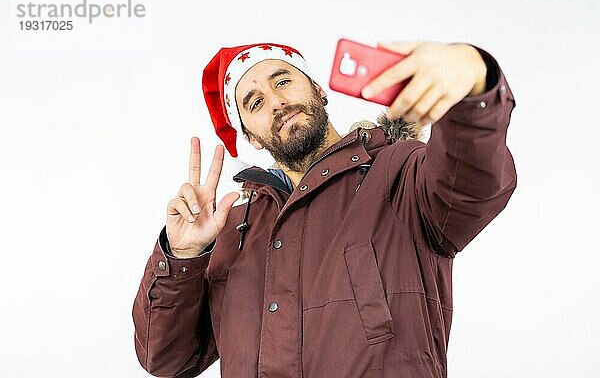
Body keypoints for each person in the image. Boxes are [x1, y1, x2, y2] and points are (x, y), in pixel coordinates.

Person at [132, 40, 517, 378]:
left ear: (317, 89)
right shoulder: (231, 230)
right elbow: (166, 359)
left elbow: (473, 186)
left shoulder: (399, 170)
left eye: (282, 81)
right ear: (249, 135)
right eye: (255, 103)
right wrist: (183, 255)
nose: (277, 102)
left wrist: (473, 81)